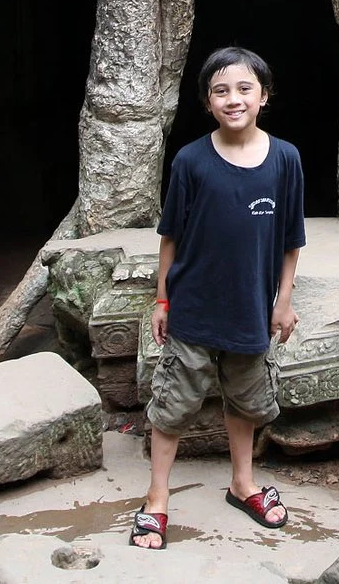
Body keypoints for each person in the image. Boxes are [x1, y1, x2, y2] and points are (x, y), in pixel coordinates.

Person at [131, 46, 306, 550]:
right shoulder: (191, 161)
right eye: (221, 90)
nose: (234, 99)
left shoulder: (286, 160)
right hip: (193, 313)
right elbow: (171, 239)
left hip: (252, 311)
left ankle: (242, 483)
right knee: (173, 407)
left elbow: (292, 241)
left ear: (264, 96)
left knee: (245, 402)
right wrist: (163, 301)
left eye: (244, 88)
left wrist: (283, 301)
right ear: (208, 102)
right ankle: (157, 498)